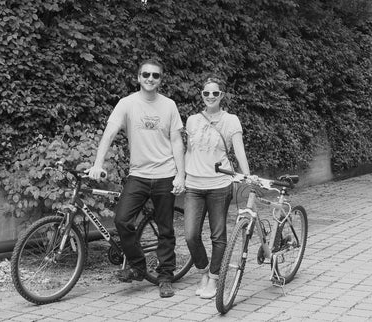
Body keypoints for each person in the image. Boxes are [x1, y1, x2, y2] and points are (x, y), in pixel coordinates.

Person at [87, 59, 186, 298]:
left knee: (165, 230)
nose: (150, 79)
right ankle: (138, 266)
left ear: (161, 79)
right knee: (122, 221)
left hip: (165, 174)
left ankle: (165, 277)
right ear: (138, 77)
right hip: (138, 175)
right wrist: (98, 163)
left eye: (155, 75)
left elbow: (176, 141)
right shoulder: (127, 104)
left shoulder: (169, 105)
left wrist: (181, 174)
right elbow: (109, 133)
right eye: (146, 74)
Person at [184, 76, 251, 299]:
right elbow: (188, 150)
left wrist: (247, 176)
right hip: (193, 184)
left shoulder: (231, 120)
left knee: (218, 235)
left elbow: (239, 150)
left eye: (215, 93)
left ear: (222, 95)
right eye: (206, 93)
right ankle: (203, 271)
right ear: (201, 95)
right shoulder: (192, 120)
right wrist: (180, 175)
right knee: (191, 235)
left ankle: (213, 278)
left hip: (220, 185)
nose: (210, 96)